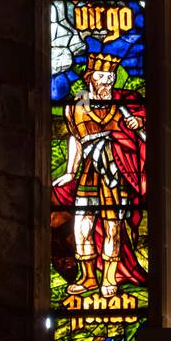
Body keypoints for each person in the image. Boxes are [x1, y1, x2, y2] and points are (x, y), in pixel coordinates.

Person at [52, 53, 146, 298]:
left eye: (111, 76)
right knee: (82, 225)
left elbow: (138, 128)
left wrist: (137, 123)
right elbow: (77, 138)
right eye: (102, 76)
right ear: (90, 78)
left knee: (113, 226)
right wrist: (70, 171)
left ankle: (109, 277)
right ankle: (88, 276)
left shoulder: (123, 104)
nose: (108, 81)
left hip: (116, 170)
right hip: (90, 172)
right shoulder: (79, 103)